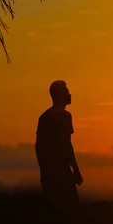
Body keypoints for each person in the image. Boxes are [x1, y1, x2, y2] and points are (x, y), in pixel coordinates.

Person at [35, 80, 83, 208]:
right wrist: (75, 170)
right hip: (56, 172)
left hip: (57, 171)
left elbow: (66, 144)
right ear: (59, 95)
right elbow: (65, 145)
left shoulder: (61, 116)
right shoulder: (53, 117)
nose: (70, 95)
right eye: (67, 92)